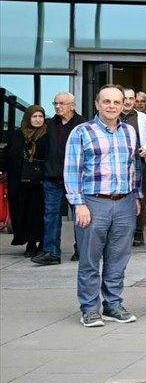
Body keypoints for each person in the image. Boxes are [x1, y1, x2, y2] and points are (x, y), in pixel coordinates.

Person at [64, 85, 142, 327]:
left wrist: (137, 195)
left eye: (116, 102)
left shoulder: (129, 132)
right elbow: (72, 170)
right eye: (106, 101)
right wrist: (78, 204)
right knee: (89, 258)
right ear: (97, 104)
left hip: (125, 202)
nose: (112, 106)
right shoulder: (82, 132)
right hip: (93, 202)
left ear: (123, 106)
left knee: (118, 258)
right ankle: (89, 308)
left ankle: (113, 305)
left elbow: (135, 166)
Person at [33, 92, 85, 265]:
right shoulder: (49, 125)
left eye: (62, 103)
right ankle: (51, 253)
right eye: (55, 103)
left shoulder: (83, 125)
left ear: (73, 105)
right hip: (52, 178)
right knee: (51, 216)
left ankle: (82, 250)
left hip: (77, 180)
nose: (57, 106)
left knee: (81, 216)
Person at [2, 105, 49, 258]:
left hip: (41, 182)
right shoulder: (17, 135)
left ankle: (41, 243)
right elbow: (7, 153)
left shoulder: (47, 135)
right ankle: (29, 243)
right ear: (28, 118)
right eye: (34, 117)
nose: (37, 119)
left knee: (38, 212)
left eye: (40, 116)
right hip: (19, 181)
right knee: (22, 211)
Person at [121, 87, 146, 247]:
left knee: (139, 197)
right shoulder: (112, 116)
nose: (128, 102)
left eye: (131, 98)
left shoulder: (143, 118)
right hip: (117, 165)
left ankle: (138, 233)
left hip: (138, 163)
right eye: (125, 98)